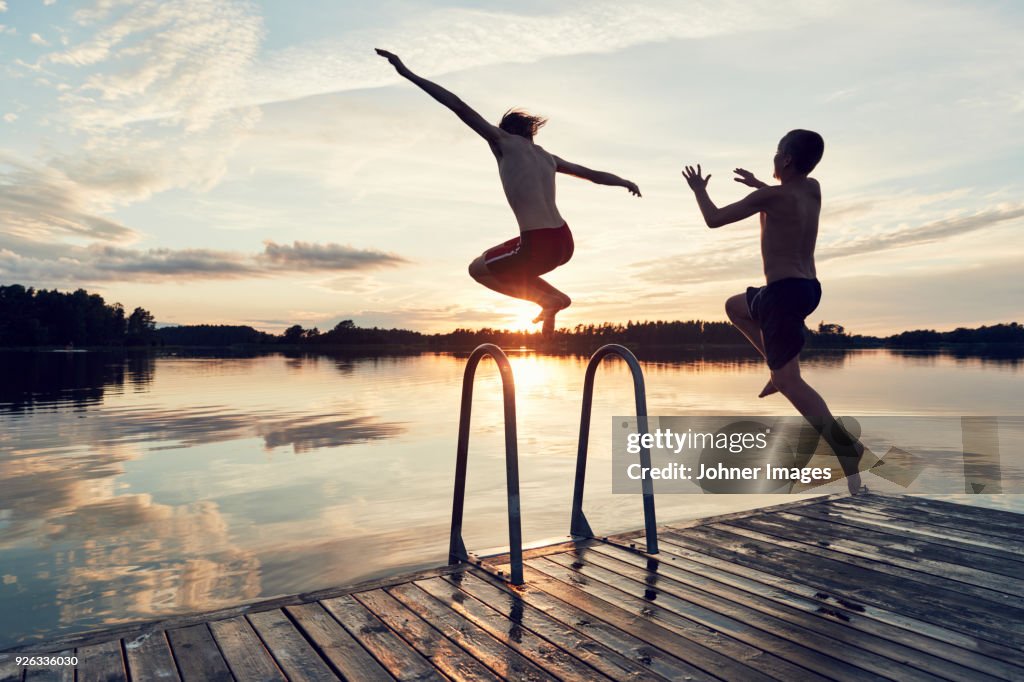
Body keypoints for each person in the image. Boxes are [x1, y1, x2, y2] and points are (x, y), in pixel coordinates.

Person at [376, 49, 641, 335]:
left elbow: (458, 106)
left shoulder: (502, 141)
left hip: (539, 244)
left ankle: (550, 300)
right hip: (564, 240)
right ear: (531, 133)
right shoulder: (548, 157)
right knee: (497, 258)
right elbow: (593, 175)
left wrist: (407, 73)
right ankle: (553, 300)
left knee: (477, 270)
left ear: (503, 131)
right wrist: (625, 181)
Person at [682, 130, 865, 492]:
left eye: (777, 152)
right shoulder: (812, 189)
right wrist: (760, 184)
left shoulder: (768, 197)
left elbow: (714, 219)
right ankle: (775, 366)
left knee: (790, 381)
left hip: (782, 294)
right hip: (806, 289)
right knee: (735, 307)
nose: (774, 155)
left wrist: (700, 190)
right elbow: (787, 201)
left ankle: (846, 448)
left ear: (784, 160)